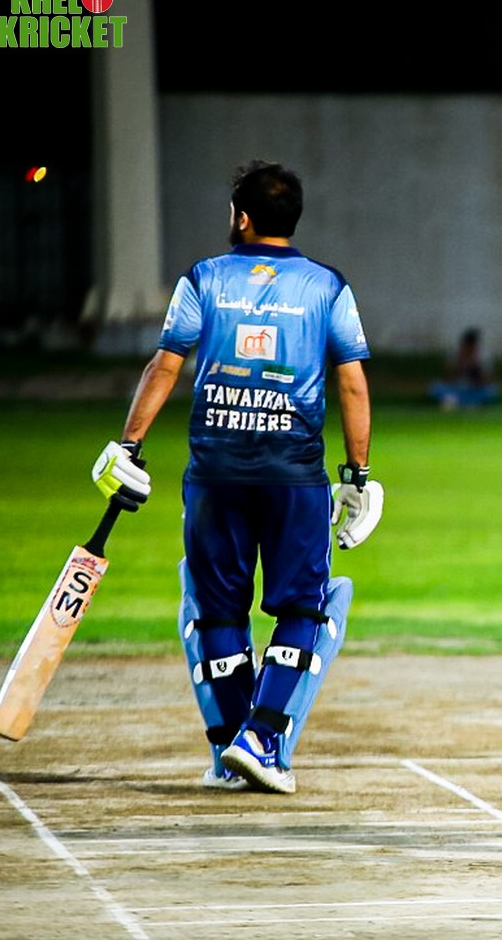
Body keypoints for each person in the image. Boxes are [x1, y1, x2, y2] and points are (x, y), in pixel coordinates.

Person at [91, 160, 381, 794]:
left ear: (242, 218)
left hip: (214, 472)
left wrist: (129, 445)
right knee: (302, 605)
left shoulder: (204, 278)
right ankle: (261, 737)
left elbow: (165, 366)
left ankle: (231, 750)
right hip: (293, 475)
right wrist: (358, 475)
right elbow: (353, 383)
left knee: (219, 610)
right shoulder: (327, 286)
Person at [428, 326, 498, 409]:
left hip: (475, 389)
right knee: (435, 386)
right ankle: (457, 402)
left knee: (492, 390)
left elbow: (489, 380)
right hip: (457, 388)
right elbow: (447, 378)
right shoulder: (455, 354)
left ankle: (468, 403)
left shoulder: (483, 356)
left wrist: (477, 369)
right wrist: (460, 365)